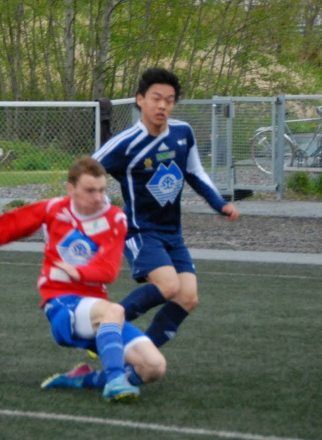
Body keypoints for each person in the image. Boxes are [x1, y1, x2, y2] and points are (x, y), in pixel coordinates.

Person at [0, 156, 166, 403]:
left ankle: (83, 379)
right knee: (114, 311)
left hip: (97, 312)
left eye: (102, 190)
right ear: (71, 189)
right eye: (90, 190)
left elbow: (109, 271)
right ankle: (115, 381)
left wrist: (78, 272)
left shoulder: (114, 218)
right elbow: (7, 226)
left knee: (153, 367)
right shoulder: (53, 210)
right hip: (62, 304)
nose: (98, 197)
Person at [91, 68, 239, 350]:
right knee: (169, 286)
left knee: (187, 297)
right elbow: (87, 171)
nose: (162, 106)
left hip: (172, 234)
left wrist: (220, 204)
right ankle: (106, 326)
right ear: (140, 100)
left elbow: (194, 172)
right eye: (156, 99)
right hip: (140, 231)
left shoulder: (182, 133)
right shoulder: (126, 142)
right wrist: (106, 209)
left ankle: (139, 359)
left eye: (169, 101)